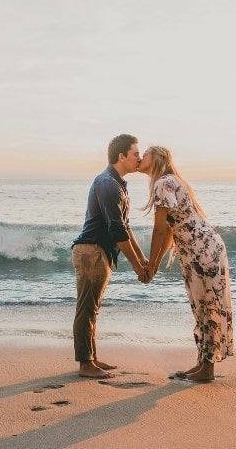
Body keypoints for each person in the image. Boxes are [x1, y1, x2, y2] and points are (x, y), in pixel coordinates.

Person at [139, 145, 233, 382]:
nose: (141, 157)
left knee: (207, 305)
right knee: (201, 306)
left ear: (157, 158)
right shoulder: (169, 181)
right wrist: (156, 264)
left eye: (145, 153)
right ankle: (203, 362)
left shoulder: (164, 183)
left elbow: (160, 230)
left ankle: (208, 368)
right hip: (200, 249)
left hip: (201, 250)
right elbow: (170, 230)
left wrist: (150, 265)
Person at [71, 134, 149, 379]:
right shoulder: (107, 184)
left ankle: (91, 359)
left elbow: (125, 227)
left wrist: (142, 259)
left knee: (92, 308)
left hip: (98, 252)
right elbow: (117, 230)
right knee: (87, 308)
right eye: (136, 154)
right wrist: (137, 266)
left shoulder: (117, 184)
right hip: (91, 252)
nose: (140, 158)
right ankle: (85, 364)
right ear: (121, 156)